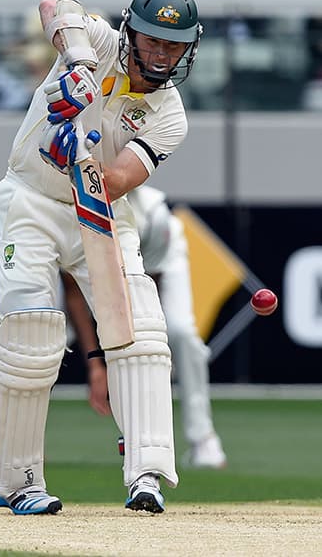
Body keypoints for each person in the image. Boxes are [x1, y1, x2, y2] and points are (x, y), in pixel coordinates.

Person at [0, 0, 202, 516]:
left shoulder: (170, 115)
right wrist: (78, 64)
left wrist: (74, 153)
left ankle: (147, 472)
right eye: (152, 40)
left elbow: (116, 178)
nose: (160, 53)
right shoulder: (100, 42)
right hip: (31, 199)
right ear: (130, 31)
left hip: (99, 209)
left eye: (173, 46)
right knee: (31, 329)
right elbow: (53, 6)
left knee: (144, 327)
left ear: (187, 50)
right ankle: (16, 479)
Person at [61, 185, 227, 469]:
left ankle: (204, 440)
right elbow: (74, 294)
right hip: (97, 265)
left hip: (155, 266)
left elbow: (146, 292)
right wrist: (96, 364)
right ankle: (31, 449)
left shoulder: (152, 217)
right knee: (49, 334)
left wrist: (144, 353)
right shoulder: (71, 212)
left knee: (180, 332)